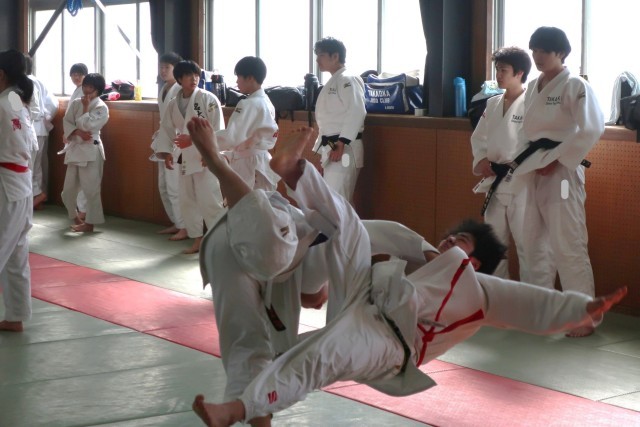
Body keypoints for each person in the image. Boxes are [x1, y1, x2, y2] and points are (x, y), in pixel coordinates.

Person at [188, 119, 628, 426]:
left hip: (388, 342)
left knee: (314, 357)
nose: (450, 243)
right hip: (362, 299)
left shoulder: (478, 292)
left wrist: (581, 307)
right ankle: (296, 172)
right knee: (354, 226)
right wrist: (317, 282)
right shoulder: (423, 260)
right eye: (450, 238)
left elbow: (529, 302)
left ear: (474, 263)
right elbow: (376, 236)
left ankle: (238, 409)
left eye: (460, 242)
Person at [514, 27, 605, 337]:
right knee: (532, 243)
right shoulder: (532, 87)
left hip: (563, 171)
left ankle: (583, 317)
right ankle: (540, 312)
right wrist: (526, 162)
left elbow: (591, 127)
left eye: (544, 51)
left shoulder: (575, 85)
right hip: (533, 167)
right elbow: (525, 133)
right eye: (534, 50)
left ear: (561, 53)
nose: (538, 56)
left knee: (568, 243)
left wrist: (557, 159)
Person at [470, 46, 554, 286]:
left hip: (522, 181)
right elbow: (479, 138)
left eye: (503, 70)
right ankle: (498, 292)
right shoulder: (493, 104)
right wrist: (482, 160)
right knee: (494, 243)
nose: (498, 75)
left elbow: (544, 141)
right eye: (497, 69)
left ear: (519, 73)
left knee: (530, 244)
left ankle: (537, 297)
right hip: (495, 180)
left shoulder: (533, 103)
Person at [154, 60, 225, 254]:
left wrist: (205, 148)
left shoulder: (208, 99)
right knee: (187, 200)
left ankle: (218, 241)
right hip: (184, 156)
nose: (194, 79)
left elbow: (218, 129)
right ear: (179, 79)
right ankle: (197, 239)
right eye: (188, 76)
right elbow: (167, 129)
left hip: (205, 155)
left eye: (196, 75)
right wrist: (167, 152)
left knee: (210, 199)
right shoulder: (173, 103)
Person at [0, 49, 38, 332]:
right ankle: (16, 316)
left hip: (6, 185)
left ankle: (16, 315)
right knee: (16, 255)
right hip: (22, 184)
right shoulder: (17, 101)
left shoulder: (4, 103)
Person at [312, 37, 366, 205]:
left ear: (335, 56)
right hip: (332, 148)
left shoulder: (348, 79)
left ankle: (345, 225)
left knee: (338, 201)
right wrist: (322, 157)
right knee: (334, 201)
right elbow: (326, 125)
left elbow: (357, 111)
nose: (317, 60)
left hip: (345, 150)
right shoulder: (333, 81)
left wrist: (342, 142)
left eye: (321, 55)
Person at [215, 56, 280, 191]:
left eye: (238, 77)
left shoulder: (249, 103)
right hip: (261, 161)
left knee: (245, 202)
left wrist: (203, 140)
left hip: (249, 164)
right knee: (262, 201)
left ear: (250, 78)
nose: (236, 81)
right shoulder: (266, 101)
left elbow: (231, 137)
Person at [60, 73, 109, 233]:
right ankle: (75, 217)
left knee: (91, 190)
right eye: (85, 86)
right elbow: (67, 122)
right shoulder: (75, 103)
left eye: (91, 88)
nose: (87, 90)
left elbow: (87, 126)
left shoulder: (101, 107)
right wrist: (77, 132)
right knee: (68, 191)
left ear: (98, 90)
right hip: (75, 148)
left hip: (91, 150)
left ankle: (90, 223)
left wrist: (86, 108)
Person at [150, 52, 187, 241]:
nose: (163, 71)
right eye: (161, 67)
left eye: (167, 67)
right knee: (163, 185)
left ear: (176, 69)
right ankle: (176, 222)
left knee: (174, 186)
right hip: (163, 139)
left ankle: (184, 226)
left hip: (176, 141)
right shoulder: (164, 88)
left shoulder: (181, 90)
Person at [24, 54, 59, 210]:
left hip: (33, 127)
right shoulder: (36, 81)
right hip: (39, 128)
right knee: (37, 165)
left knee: (32, 165)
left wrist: (44, 118)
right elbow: (53, 103)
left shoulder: (27, 82)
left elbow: (36, 108)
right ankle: (38, 197)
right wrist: (47, 118)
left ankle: (37, 196)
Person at [68, 63, 89, 223]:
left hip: (83, 136)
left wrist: (74, 131)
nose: (76, 77)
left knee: (83, 177)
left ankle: (84, 210)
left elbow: (81, 117)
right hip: (75, 136)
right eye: (74, 74)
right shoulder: (77, 90)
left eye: (79, 74)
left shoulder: (84, 92)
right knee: (76, 177)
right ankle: (80, 208)